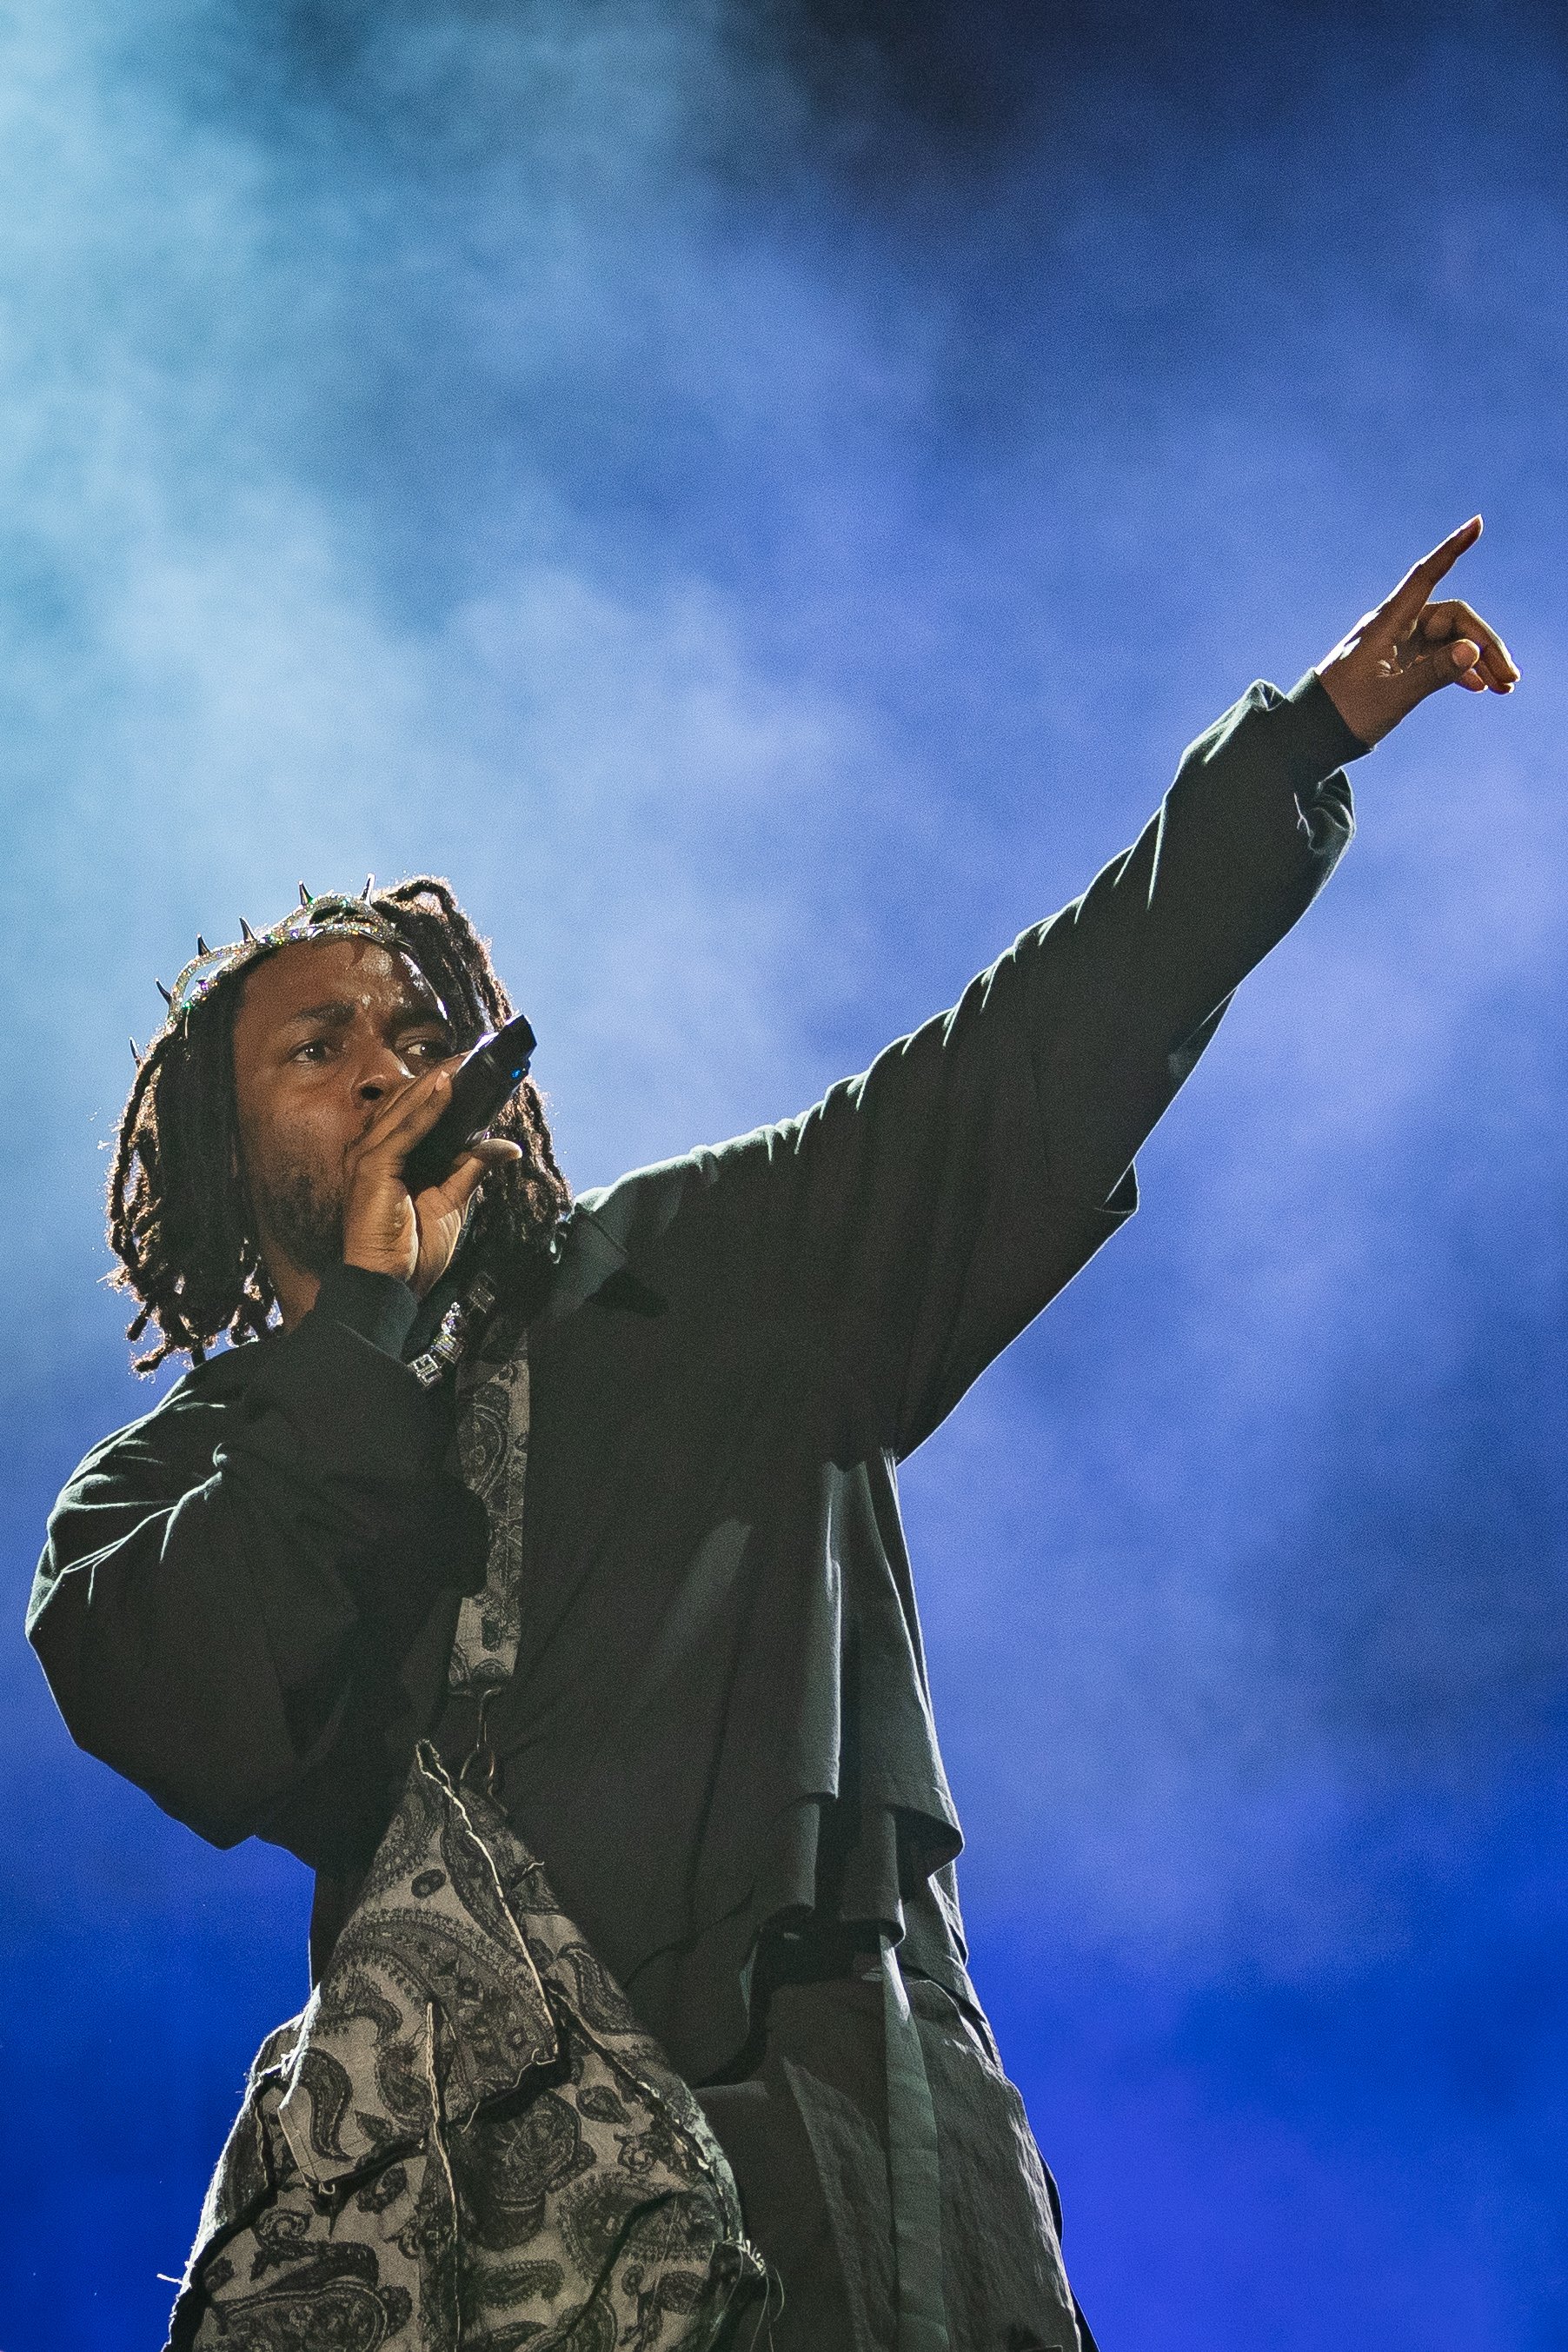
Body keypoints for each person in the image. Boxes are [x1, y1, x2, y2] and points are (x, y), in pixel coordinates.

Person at [29, 520, 1517, 2349]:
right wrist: (378, 1329)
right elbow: (196, 1709)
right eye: (316, 1043)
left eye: (419, 1020)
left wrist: (1294, 750)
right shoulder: (185, 1476)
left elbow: (1024, 1064)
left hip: (833, 2128)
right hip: (481, 2198)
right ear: (220, 1153)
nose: (386, 1052)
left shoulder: (713, 1272)